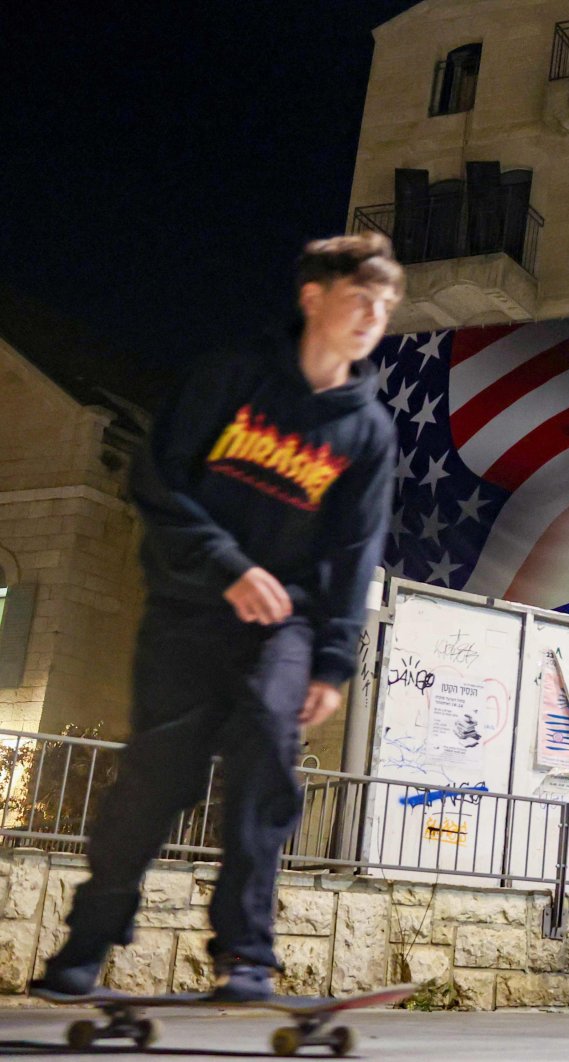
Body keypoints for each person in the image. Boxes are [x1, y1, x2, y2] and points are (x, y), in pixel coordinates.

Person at [32, 234, 402, 1001]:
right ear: (314, 298)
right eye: (360, 297)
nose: (376, 314)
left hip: (286, 627)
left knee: (268, 753)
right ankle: (88, 940)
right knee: (156, 777)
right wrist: (227, 568)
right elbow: (157, 480)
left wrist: (334, 660)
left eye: (388, 302)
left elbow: (355, 551)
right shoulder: (231, 377)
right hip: (188, 610)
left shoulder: (367, 430)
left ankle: (247, 953)